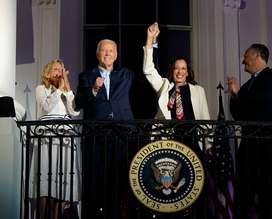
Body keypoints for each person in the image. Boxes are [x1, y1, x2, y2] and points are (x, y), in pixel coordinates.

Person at [143, 23, 210, 218]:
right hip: (168, 143)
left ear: (188, 72)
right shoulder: (164, 87)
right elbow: (148, 70)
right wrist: (149, 41)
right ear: (172, 71)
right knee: (168, 188)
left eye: (184, 68)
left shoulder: (198, 91)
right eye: (177, 68)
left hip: (192, 142)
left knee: (191, 186)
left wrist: (209, 144)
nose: (180, 72)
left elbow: (205, 117)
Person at [75, 39, 134, 219]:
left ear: (116, 55)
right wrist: (93, 89)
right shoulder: (86, 76)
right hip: (96, 137)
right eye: (104, 50)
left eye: (111, 51)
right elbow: (79, 103)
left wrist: (151, 43)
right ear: (97, 54)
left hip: (122, 135)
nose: (107, 53)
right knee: (97, 183)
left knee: (121, 182)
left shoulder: (125, 75)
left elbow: (148, 66)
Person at [227, 43, 272, 219]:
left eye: (246, 55)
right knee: (244, 195)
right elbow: (238, 114)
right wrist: (234, 94)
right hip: (248, 146)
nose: (243, 59)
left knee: (268, 196)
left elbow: (265, 99)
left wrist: (240, 94)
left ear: (258, 56)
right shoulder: (246, 86)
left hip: (268, 144)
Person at [29, 59, 81, 218]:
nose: (59, 72)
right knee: (46, 173)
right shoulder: (41, 89)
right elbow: (46, 107)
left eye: (61, 70)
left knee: (62, 176)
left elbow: (74, 112)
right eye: (56, 69)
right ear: (48, 72)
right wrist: (58, 90)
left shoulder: (64, 91)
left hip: (65, 137)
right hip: (48, 137)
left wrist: (68, 89)